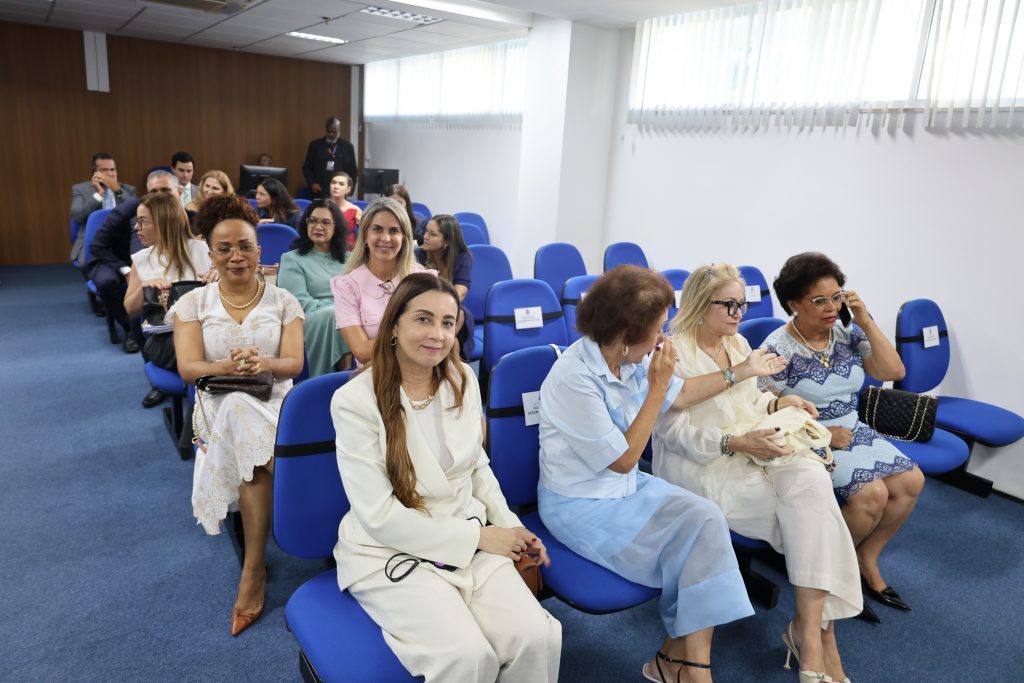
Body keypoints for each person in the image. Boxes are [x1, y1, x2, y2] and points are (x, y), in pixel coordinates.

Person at [537, 265, 784, 683]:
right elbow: (624, 459)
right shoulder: (573, 378)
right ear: (625, 333)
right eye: (657, 329)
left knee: (707, 518)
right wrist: (655, 389)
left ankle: (679, 664)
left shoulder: (633, 357)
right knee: (692, 550)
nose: (663, 338)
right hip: (581, 502)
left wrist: (739, 371)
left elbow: (682, 394)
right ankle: (687, 671)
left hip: (628, 487)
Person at [331, 272, 561, 682]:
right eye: (423, 319)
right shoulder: (354, 401)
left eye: (447, 323)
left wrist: (510, 526)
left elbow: (477, 466)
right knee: (466, 657)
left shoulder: (462, 379)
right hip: (390, 548)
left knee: (536, 636)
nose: (437, 334)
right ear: (393, 325)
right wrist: (480, 538)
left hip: (467, 530)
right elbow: (379, 516)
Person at [654, 263, 861, 683]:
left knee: (812, 480)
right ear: (700, 304)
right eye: (728, 305)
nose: (738, 314)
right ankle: (817, 637)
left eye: (742, 304)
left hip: (752, 449)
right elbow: (673, 435)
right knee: (813, 519)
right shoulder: (673, 354)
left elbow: (748, 402)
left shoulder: (737, 343)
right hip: (702, 465)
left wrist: (779, 404)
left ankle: (811, 634)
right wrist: (735, 442)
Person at [760, 252, 924, 625]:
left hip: (852, 426)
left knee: (911, 481)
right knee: (872, 495)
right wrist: (821, 433)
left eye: (837, 297)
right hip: (808, 435)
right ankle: (833, 577)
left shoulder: (848, 332)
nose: (832, 307)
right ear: (794, 304)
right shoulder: (778, 348)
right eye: (820, 300)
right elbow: (762, 408)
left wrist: (864, 320)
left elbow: (894, 370)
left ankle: (866, 558)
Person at [172, 212, 304, 637]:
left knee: (249, 428)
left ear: (259, 252)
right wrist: (228, 366)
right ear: (211, 255)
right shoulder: (193, 304)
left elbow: (294, 364)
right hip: (217, 399)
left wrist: (263, 362)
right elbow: (189, 369)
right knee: (236, 409)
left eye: (245, 247)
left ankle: (254, 568)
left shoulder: (284, 301)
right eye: (225, 248)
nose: (236, 256)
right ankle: (261, 556)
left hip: (275, 399)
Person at [123, 192, 213, 406]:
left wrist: (219, 277)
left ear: (164, 223)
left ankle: (203, 407)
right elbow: (131, 310)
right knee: (206, 348)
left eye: (143, 222)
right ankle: (204, 409)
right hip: (165, 340)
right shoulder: (142, 259)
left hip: (207, 331)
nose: (136, 227)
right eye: (137, 221)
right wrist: (144, 286)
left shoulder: (204, 251)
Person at [85, 170, 182, 353]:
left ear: (179, 193)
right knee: (106, 282)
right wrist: (127, 271)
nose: (159, 197)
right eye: (153, 192)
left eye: (165, 191)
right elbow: (97, 246)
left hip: (158, 261)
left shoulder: (187, 214)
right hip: (114, 259)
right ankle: (130, 329)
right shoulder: (128, 209)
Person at [331, 197, 432, 367]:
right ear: (365, 236)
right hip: (374, 375)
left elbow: (435, 336)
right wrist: (413, 338)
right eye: (377, 229)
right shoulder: (347, 286)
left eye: (394, 231)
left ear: (404, 238)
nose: (386, 238)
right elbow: (361, 351)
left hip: (419, 370)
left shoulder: (423, 280)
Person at [278, 199, 350, 377]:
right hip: (308, 318)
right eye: (313, 221)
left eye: (325, 222)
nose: (318, 227)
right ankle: (338, 377)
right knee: (334, 315)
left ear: (336, 226)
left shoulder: (350, 259)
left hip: (346, 317)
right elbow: (298, 302)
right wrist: (341, 310)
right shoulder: (292, 259)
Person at [70, 153, 136, 264]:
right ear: (95, 173)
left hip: (123, 240)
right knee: (93, 264)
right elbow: (78, 217)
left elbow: (137, 212)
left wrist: (118, 191)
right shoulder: (80, 189)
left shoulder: (127, 189)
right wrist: (98, 194)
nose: (110, 173)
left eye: (112, 169)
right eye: (104, 170)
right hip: (93, 239)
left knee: (135, 263)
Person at [416, 214, 471, 301]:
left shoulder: (461, 257)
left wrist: (443, 306)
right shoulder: (419, 254)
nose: (425, 236)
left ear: (447, 240)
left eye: (432, 234)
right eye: (426, 231)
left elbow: (461, 292)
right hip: (424, 302)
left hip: (451, 303)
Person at [302, 115, 357, 198]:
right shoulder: (315, 146)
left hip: (341, 192)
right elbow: (307, 167)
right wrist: (312, 183)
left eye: (334, 132)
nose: (331, 134)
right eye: (329, 131)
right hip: (320, 191)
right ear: (326, 129)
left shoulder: (348, 147)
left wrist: (350, 190)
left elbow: (353, 171)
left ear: (339, 130)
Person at [327, 170, 361, 249]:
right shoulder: (321, 207)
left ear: (348, 189)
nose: (336, 186)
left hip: (349, 250)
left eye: (341, 184)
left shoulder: (355, 210)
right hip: (326, 249)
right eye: (333, 182)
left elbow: (366, 232)